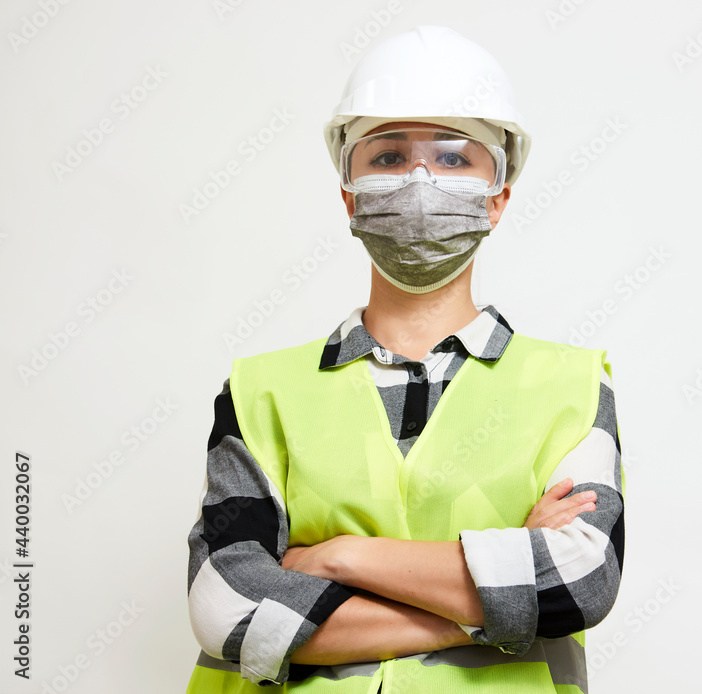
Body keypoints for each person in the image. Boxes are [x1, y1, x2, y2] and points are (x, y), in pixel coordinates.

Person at [184, 25, 624, 693]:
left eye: (454, 158)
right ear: (348, 192)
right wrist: (494, 609)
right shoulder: (259, 392)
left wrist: (339, 557)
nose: (420, 180)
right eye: (388, 157)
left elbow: (576, 582)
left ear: (498, 196)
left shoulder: (570, 385)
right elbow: (227, 605)